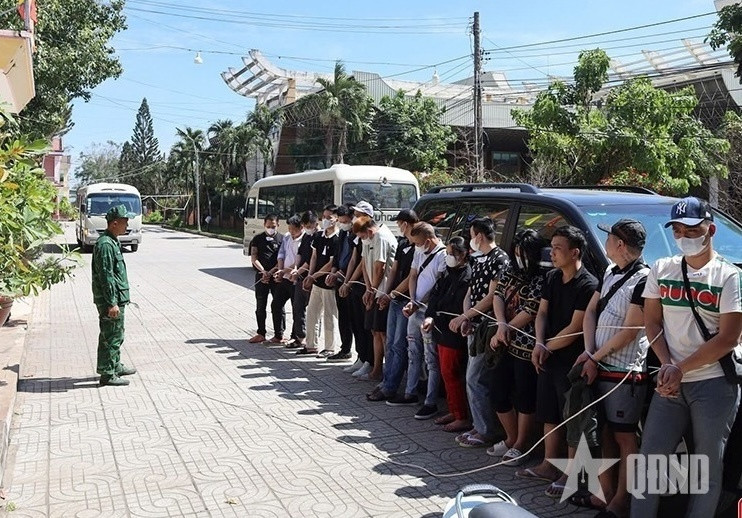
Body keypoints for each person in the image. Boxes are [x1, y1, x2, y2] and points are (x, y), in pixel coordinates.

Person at [631, 197, 742, 517]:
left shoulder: (728, 276)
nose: (684, 237)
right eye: (678, 230)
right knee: (649, 464)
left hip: (714, 386)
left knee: (706, 471)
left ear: (711, 230)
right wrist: (667, 364)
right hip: (670, 384)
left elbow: (728, 338)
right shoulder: (662, 269)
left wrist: (678, 368)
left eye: (692, 230)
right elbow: (652, 322)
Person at [570, 219, 649, 516]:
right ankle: (604, 492)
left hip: (624, 370)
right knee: (602, 432)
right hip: (598, 362)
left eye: (610, 238)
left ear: (620, 245)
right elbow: (592, 310)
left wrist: (595, 356)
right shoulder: (608, 271)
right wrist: (590, 351)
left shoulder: (643, 279)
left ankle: (621, 499)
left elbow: (631, 330)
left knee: (625, 437)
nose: (605, 242)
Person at [518, 225, 599, 499]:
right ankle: (549, 464)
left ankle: (571, 473)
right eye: (551, 248)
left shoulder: (588, 284)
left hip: (571, 360)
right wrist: (539, 343)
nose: (552, 253)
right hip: (548, 356)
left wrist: (546, 346)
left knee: (573, 418)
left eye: (558, 249)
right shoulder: (552, 278)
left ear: (575, 252)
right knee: (548, 412)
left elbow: (576, 327)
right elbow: (541, 313)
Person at [447, 217, 511, 448]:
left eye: (472, 235)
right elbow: (471, 291)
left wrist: (466, 316)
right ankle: (479, 424)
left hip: (489, 327)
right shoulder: (478, 259)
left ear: (480, 236)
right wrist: (467, 316)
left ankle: (488, 430)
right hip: (475, 325)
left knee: (476, 378)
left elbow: (493, 296)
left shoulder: (500, 259)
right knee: (472, 377)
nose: (470, 240)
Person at [488, 229, 547, 464]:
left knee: (525, 397)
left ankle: (523, 443)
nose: (519, 257)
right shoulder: (510, 269)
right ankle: (511, 438)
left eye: (524, 253)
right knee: (497, 391)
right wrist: (501, 324)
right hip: (504, 342)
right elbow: (498, 294)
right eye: (517, 252)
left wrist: (508, 328)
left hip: (527, 346)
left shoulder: (542, 276)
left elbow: (531, 309)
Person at [387, 222, 447, 421]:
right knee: (413, 352)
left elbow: (438, 286)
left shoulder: (442, 256)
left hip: (429, 312)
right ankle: (410, 393)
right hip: (415, 308)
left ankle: (431, 401)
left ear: (428, 241)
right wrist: (412, 300)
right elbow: (413, 275)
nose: (416, 247)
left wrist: (420, 302)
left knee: (431, 359)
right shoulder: (418, 252)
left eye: (418, 243)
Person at [367, 209, 419, 401]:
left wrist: (393, 294)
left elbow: (410, 277)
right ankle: (386, 381)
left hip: (407, 299)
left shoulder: (418, 246)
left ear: (408, 223)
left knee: (398, 344)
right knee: (390, 343)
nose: (399, 226)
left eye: (400, 223)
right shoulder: (403, 242)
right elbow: (395, 268)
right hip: (394, 298)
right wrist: (385, 293)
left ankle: (391, 386)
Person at [422, 236, 472, 432]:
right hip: (441, 328)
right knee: (444, 372)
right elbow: (435, 297)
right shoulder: (446, 273)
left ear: (463, 254)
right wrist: (429, 316)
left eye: (452, 254)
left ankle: (462, 416)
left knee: (451, 373)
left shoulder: (468, 275)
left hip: (455, 331)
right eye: (448, 253)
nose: (449, 257)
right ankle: (453, 410)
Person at [92, 205, 137, 387]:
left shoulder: (112, 241)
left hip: (117, 298)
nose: (127, 225)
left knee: (117, 334)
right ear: (115, 223)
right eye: (125, 222)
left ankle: (115, 365)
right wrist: (112, 303)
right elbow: (106, 275)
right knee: (110, 335)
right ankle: (108, 373)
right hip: (111, 300)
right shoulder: (105, 245)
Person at [354, 214, 398, 381]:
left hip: (383, 291)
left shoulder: (380, 237)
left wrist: (372, 291)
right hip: (373, 289)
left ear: (369, 230)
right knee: (374, 331)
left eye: (362, 236)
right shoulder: (367, 240)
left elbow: (380, 267)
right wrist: (368, 288)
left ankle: (384, 371)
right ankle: (376, 368)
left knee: (382, 332)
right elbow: (365, 263)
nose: (362, 240)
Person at [302, 205, 341, 356]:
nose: (325, 220)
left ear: (336, 219)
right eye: (323, 217)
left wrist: (315, 276)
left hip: (328, 284)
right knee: (311, 312)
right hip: (316, 283)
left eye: (329, 217)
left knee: (329, 316)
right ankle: (310, 344)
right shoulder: (318, 236)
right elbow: (313, 257)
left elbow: (331, 263)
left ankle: (330, 347)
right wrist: (310, 276)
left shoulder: (337, 239)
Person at [248, 214, 285, 344]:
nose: (270, 229)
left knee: (278, 305)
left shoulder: (282, 239)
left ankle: (279, 334)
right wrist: (263, 271)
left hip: (276, 276)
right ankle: (261, 332)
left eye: (273, 226)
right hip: (261, 276)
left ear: (278, 225)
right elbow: (254, 257)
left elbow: (283, 258)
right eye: (268, 226)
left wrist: (272, 271)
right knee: (260, 305)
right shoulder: (257, 239)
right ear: (264, 225)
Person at [325, 205, 355, 362]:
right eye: (340, 221)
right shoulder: (343, 233)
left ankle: (359, 355)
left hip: (350, 280)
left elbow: (354, 260)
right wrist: (334, 270)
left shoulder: (356, 234)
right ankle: (345, 349)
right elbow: (338, 255)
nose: (342, 223)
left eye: (345, 221)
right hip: (339, 278)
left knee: (353, 318)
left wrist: (342, 273)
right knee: (343, 316)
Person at [272, 215, 306, 348]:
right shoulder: (286, 237)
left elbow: (301, 261)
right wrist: (280, 271)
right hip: (284, 278)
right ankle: (278, 334)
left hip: (296, 278)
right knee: (276, 304)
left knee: (297, 308)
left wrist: (286, 271)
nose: (291, 231)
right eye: (289, 228)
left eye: (293, 229)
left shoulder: (305, 240)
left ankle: (295, 336)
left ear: (301, 227)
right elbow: (281, 254)